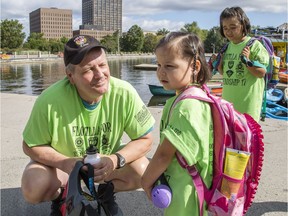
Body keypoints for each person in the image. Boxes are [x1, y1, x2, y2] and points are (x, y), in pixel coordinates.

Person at [21, 35, 155, 216]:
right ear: (70, 76)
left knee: (145, 171)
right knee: (33, 186)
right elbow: (30, 145)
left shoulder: (125, 92)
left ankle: (106, 194)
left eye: (102, 65)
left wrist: (115, 159)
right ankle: (61, 198)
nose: (100, 75)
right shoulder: (49, 100)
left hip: (105, 162)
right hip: (63, 167)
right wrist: (65, 162)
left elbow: (145, 139)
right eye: (88, 70)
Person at [141, 32, 213, 216]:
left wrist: (146, 180)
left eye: (170, 66)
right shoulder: (194, 96)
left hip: (187, 191)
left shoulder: (186, 107)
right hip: (194, 187)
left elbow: (164, 155)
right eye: (158, 65)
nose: (160, 72)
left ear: (195, 66)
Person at [215, 6, 270, 122]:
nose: (228, 32)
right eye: (225, 28)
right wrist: (219, 66)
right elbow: (226, 73)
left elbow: (261, 73)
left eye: (233, 27)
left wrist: (247, 61)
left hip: (247, 106)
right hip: (228, 105)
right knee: (230, 139)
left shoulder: (254, 46)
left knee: (247, 138)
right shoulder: (227, 47)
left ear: (243, 25)